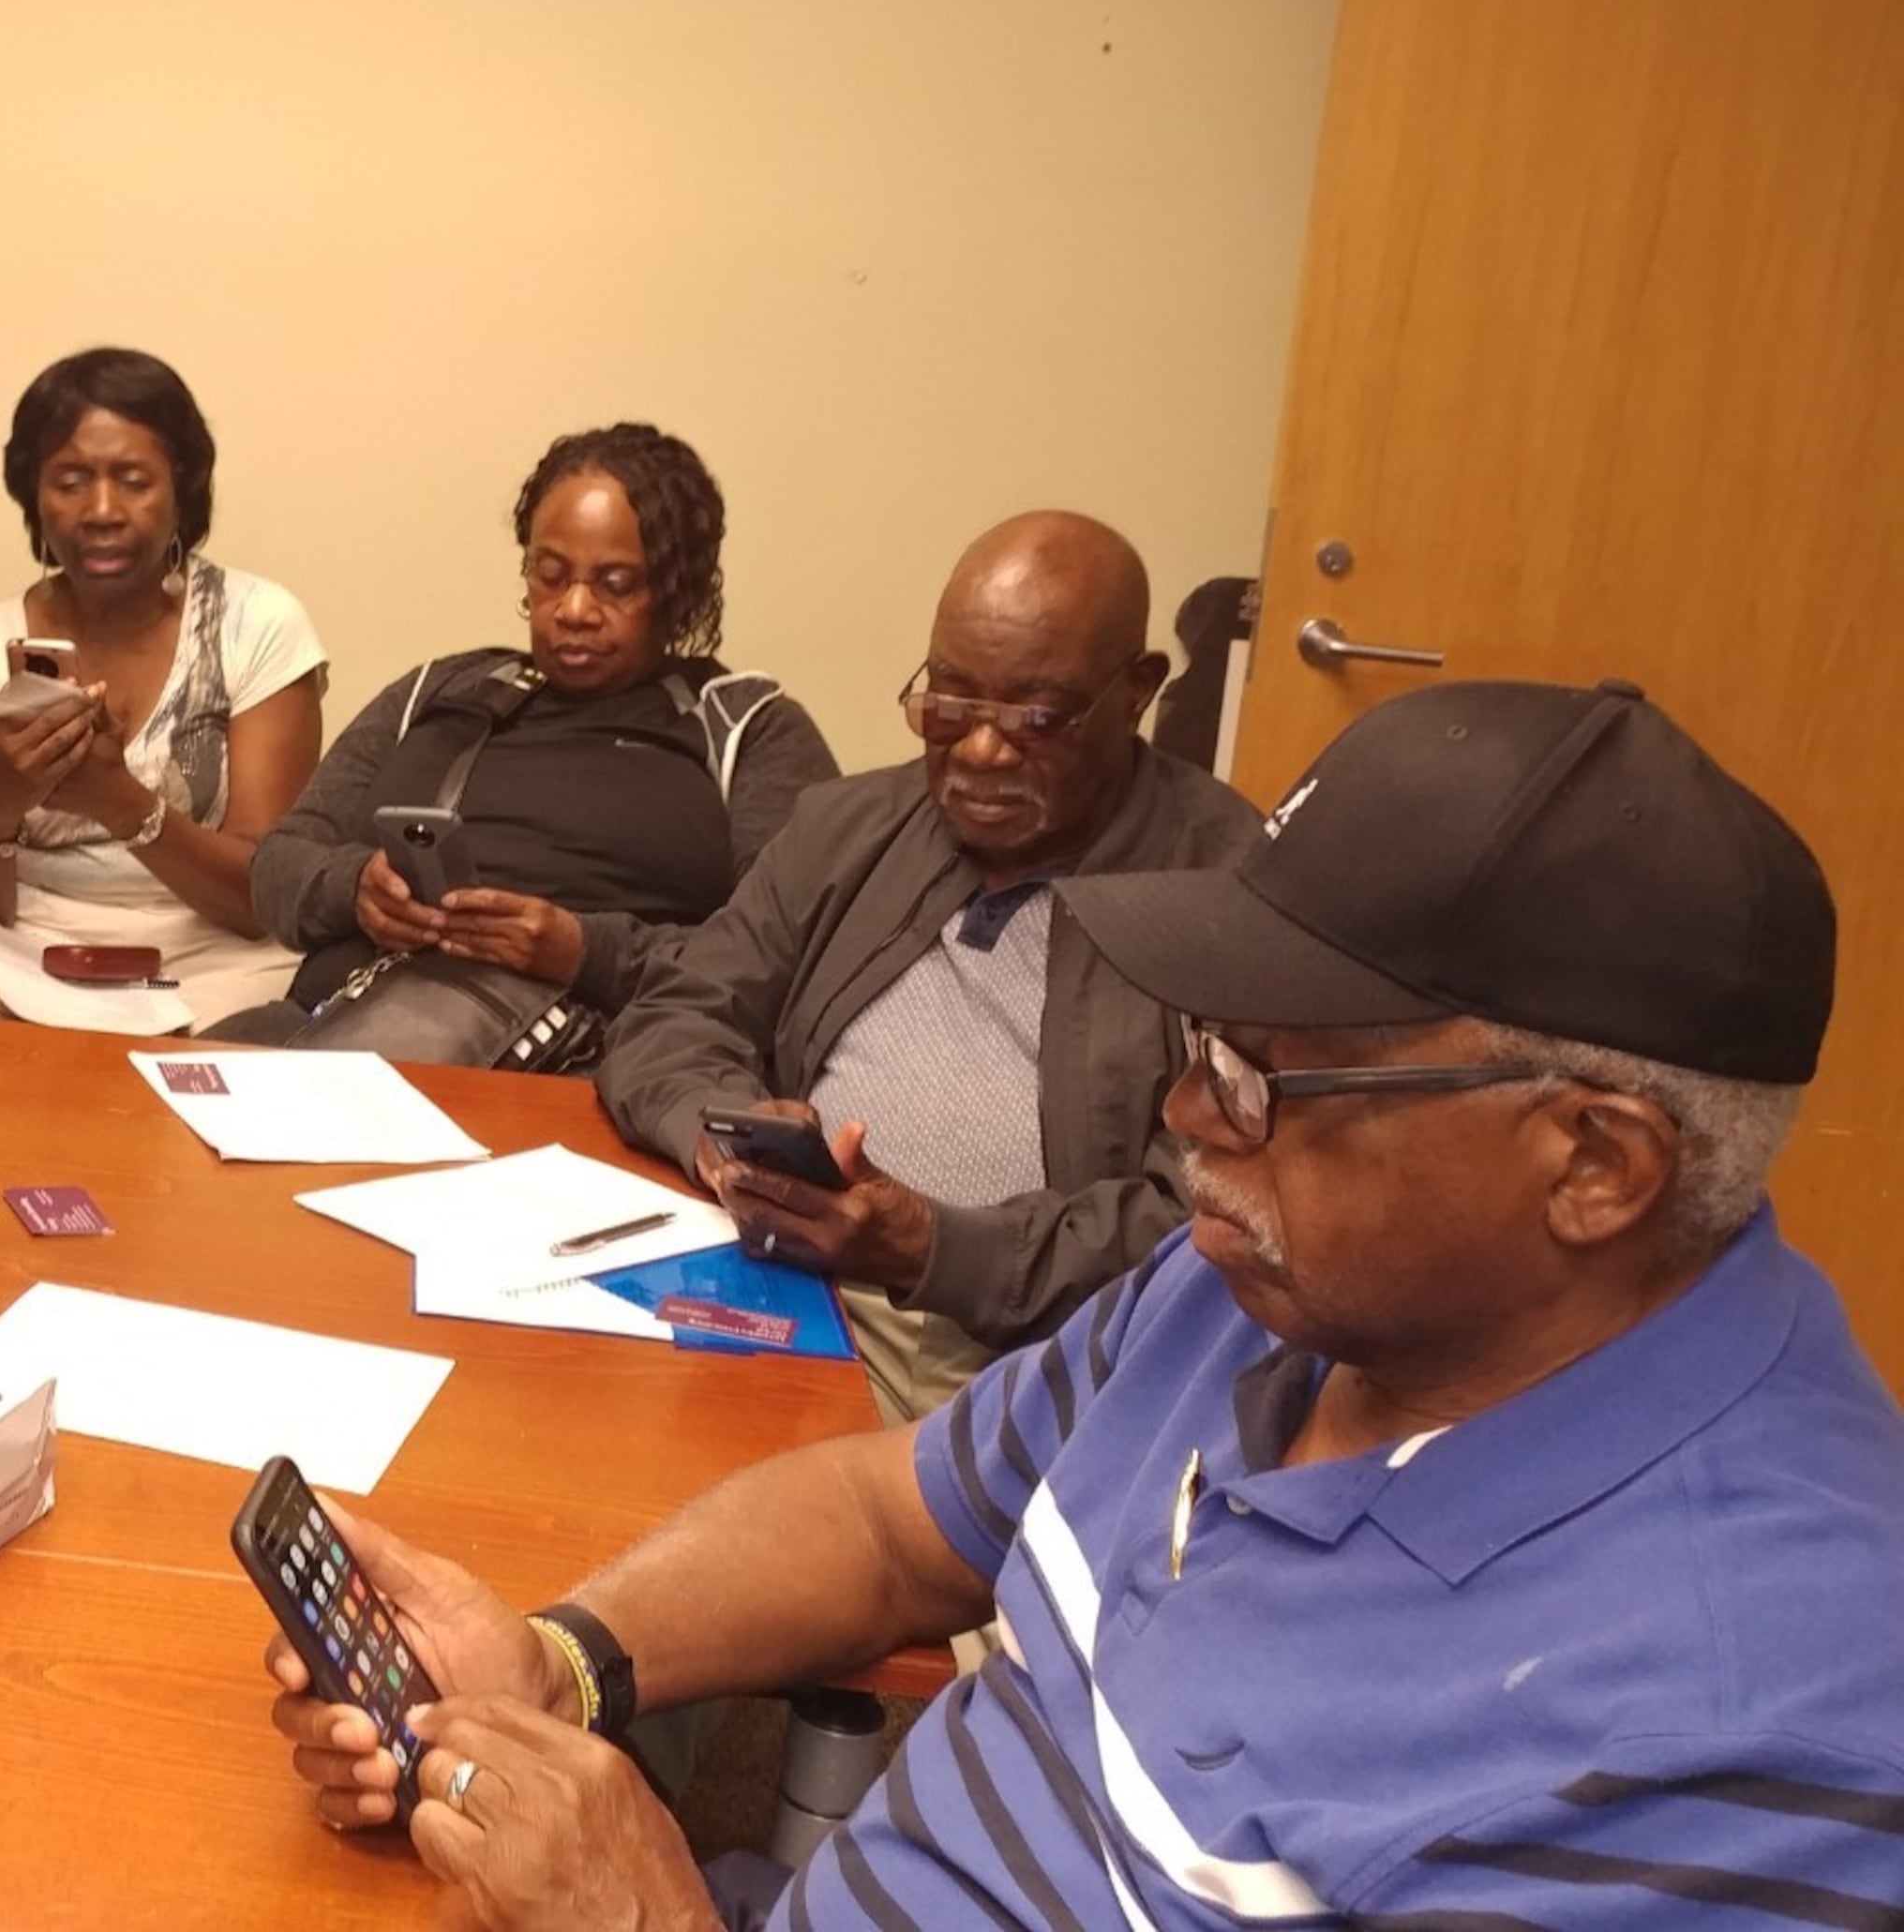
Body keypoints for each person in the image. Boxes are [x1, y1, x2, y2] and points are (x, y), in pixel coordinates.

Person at [265, 679, 1904, 1930]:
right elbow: (892, 1525)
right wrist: (562, 1666)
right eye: (1198, 1047)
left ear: (1595, 1164)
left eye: (1262, 1079)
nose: (1191, 1123)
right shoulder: (1261, 1292)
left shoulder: (1754, 1733)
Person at [597, 510, 1259, 1422]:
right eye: (950, 704)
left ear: (1137, 690)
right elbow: (674, 1015)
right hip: (790, 1283)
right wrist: (725, 1141)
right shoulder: (848, 828)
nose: (982, 750)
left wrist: (934, 1249)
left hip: (1040, 1350)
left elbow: (1207, 1208)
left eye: (1036, 715)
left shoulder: (1231, 894)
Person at [230, 425, 835, 1048]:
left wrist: (586, 951)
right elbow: (279, 864)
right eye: (550, 575)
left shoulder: (746, 729)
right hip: (337, 1015)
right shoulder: (441, 689)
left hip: (583, 1054)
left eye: (616, 584)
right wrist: (355, 889)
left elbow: (788, 955)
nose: (573, 609)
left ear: (678, 592)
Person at [0, 349, 327, 1028]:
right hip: (24, 947)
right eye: (70, 481)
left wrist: (119, 801)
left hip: (213, 953)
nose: (101, 510)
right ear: (33, 496)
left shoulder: (259, 624)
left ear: (182, 491)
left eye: (133, 480)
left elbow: (260, 902)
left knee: (223, 1045)